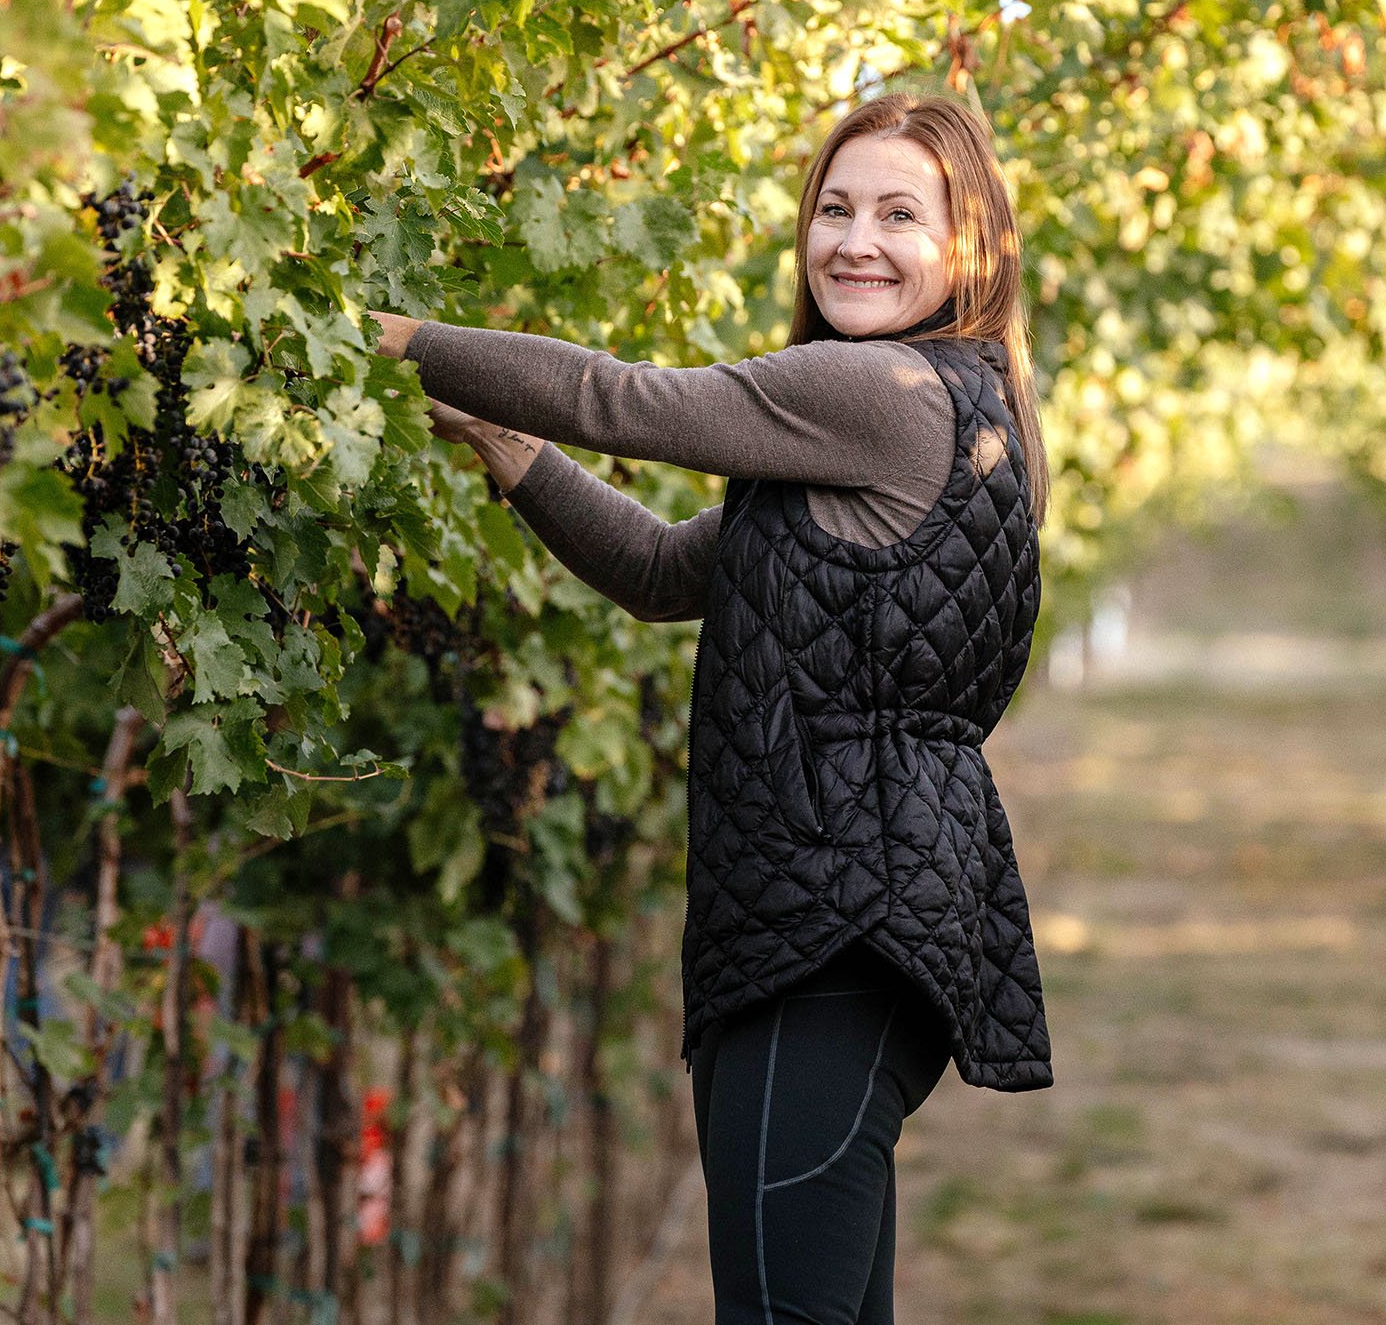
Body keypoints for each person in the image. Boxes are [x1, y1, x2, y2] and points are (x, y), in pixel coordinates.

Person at [367, 90, 1053, 1324]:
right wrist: (499, 444)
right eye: (834, 208)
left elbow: (627, 399)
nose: (856, 239)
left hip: (829, 919)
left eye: (901, 213)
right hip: (854, 908)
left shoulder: (889, 392)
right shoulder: (944, 410)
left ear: (971, 247)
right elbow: (657, 573)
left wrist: (394, 335)